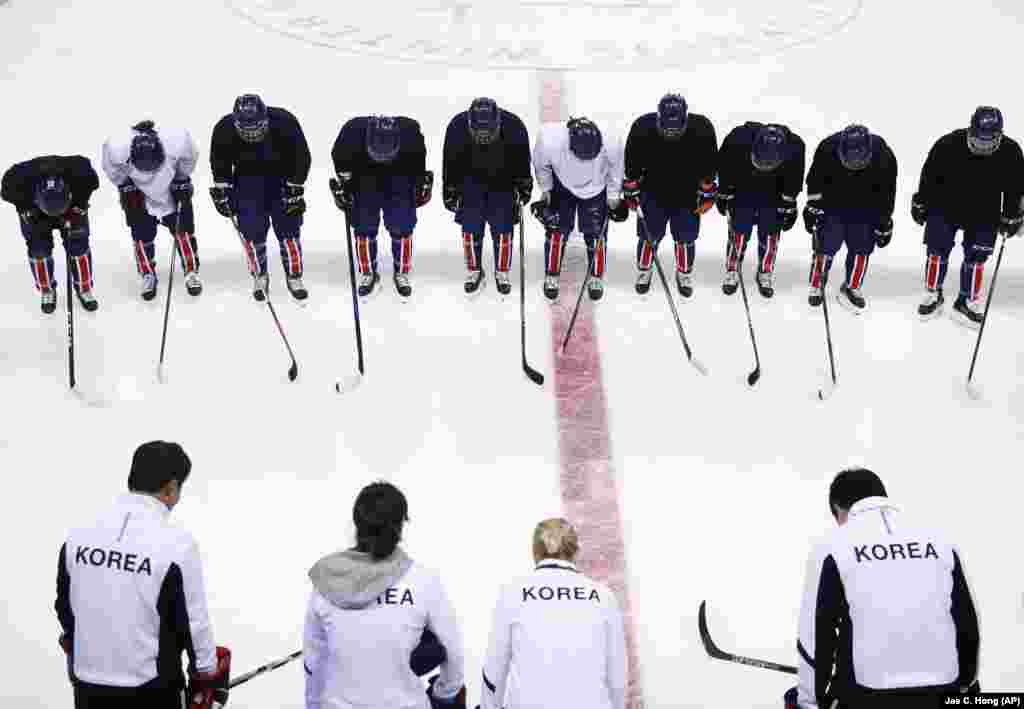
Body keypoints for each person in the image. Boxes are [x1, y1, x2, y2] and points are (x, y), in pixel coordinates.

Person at [55, 441, 231, 709]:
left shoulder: (79, 533)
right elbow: (194, 624)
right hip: (152, 691)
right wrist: (207, 676)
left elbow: (65, 606)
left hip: (88, 688)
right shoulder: (177, 545)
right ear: (171, 488)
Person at [786, 468, 980, 709]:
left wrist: (808, 701)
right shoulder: (942, 539)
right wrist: (966, 687)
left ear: (838, 511)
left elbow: (816, 636)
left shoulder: (831, 546)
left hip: (869, 696)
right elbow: (967, 621)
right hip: (944, 692)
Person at [303, 481, 466, 709]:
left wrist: (313, 705)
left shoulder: (326, 580)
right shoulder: (424, 581)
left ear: (357, 523)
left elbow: (313, 662)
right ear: (400, 526)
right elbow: (453, 652)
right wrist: (443, 692)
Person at [479, 518, 626, 709]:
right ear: (575, 550)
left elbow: (494, 669)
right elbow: (617, 675)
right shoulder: (603, 596)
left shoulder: (512, 594)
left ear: (534, 551)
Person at [912, 106, 1024, 326]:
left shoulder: (1011, 151)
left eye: (989, 142)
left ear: (999, 135)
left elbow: (1016, 187)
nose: (983, 147)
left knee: (977, 257)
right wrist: (922, 202)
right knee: (936, 250)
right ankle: (933, 293)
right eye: (978, 141)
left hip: (985, 209)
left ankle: (967, 301)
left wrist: (1012, 216)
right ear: (971, 130)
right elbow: (929, 175)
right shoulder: (948, 144)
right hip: (946, 204)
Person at [209, 94, 312, 302]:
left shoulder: (284, 120)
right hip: (247, 180)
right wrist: (224, 191)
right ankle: (260, 275)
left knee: (289, 228)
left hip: (281, 176)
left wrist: (295, 185)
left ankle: (294, 275)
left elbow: (302, 155)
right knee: (251, 229)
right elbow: (219, 162)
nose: (252, 133)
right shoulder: (224, 128)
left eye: (257, 127)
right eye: (246, 129)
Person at [623, 93, 718, 297]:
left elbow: (710, 164)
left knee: (686, 237)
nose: (671, 134)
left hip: (687, 193)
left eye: (677, 130)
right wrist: (631, 187)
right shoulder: (642, 127)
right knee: (649, 235)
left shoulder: (703, 128)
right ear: (658, 119)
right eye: (667, 130)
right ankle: (644, 270)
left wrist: (708, 190)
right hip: (653, 191)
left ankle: (684, 273)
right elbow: (631, 161)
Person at [330, 115, 431, 300]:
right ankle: (368, 272)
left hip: (399, 174)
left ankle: (402, 272)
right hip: (364, 175)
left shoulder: (410, 135)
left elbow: (418, 164)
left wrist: (419, 184)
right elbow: (341, 162)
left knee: (402, 224)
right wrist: (345, 187)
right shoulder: (352, 134)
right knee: (363, 225)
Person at [102, 120, 202, 301]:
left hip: (171, 188)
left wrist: (181, 178)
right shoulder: (117, 148)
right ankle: (147, 274)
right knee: (141, 235)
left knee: (184, 230)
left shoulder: (176, 141)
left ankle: (191, 271)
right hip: (139, 193)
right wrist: (125, 185)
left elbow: (190, 157)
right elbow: (111, 169)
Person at [442, 97, 533, 296]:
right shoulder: (457, 127)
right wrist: (450, 189)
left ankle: (502, 271)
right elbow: (450, 161)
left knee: (503, 228)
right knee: (470, 227)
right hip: (470, 181)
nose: (483, 138)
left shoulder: (514, 126)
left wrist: (524, 185)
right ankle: (474, 270)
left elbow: (522, 159)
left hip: (503, 181)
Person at [803, 125, 897, 313]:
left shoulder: (884, 155)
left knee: (862, 248)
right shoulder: (827, 148)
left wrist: (884, 222)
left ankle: (853, 286)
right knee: (825, 245)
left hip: (865, 207)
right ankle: (817, 283)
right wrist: (813, 206)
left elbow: (887, 194)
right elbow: (814, 181)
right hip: (833, 204)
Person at [532, 116, 626, 301]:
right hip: (563, 185)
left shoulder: (612, 140)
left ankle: (596, 275)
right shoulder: (550, 139)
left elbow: (616, 169)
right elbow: (541, 165)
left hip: (596, 188)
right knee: (556, 228)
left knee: (596, 232)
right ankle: (552, 274)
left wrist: (613, 197)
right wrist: (547, 190)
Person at [716, 122, 805, 298]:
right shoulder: (738, 140)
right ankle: (733, 269)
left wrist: (789, 204)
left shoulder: (795, 147)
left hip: (774, 193)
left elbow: (795, 177)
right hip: (744, 187)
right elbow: (723, 167)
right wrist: (724, 192)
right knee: (739, 231)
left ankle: (765, 272)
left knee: (771, 234)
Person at [1, 155, 100, 313]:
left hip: (70, 208)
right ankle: (47, 290)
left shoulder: (80, 174)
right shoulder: (19, 180)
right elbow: (6, 192)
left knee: (79, 246)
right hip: (35, 211)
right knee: (38, 251)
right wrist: (25, 208)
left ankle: (84, 288)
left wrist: (79, 206)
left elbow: (92, 183)